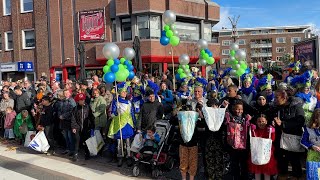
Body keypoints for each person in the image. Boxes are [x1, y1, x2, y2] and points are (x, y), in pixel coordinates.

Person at [270, 90, 305, 179]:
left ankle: (296, 175)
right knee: (281, 158)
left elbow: (301, 121)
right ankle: (283, 174)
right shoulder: (276, 107)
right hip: (280, 137)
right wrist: (273, 122)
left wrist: (283, 124)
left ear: (284, 98)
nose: (275, 99)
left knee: (294, 159)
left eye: (277, 97)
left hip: (293, 137)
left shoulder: (296, 106)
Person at [108, 82, 135, 166]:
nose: (124, 93)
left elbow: (132, 113)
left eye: (125, 92)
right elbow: (112, 114)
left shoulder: (129, 102)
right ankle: (120, 157)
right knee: (119, 143)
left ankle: (129, 157)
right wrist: (116, 112)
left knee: (128, 142)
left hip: (128, 124)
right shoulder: (115, 102)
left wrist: (134, 123)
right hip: (119, 124)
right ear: (119, 92)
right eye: (123, 92)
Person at [205, 98, 231, 179]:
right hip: (209, 141)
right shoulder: (206, 115)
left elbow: (224, 116)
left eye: (215, 106)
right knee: (209, 161)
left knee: (219, 160)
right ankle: (211, 177)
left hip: (219, 141)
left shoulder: (221, 114)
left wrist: (224, 107)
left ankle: (219, 177)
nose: (213, 108)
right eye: (211, 107)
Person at [224, 100, 251, 180]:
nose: (239, 111)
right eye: (237, 109)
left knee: (244, 164)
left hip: (244, 146)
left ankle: (244, 178)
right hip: (233, 146)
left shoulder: (246, 118)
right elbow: (223, 114)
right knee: (234, 164)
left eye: (241, 109)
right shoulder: (229, 117)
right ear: (233, 109)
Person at [248, 114, 278, 180]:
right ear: (256, 122)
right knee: (257, 171)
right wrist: (252, 130)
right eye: (259, 121)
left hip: (266, 154)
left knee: (267, 172)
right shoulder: (255, 130)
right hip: (256, 154)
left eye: (263, 121)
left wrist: (272, 132)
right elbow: (252, 139)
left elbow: (272, 139)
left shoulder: (269, 130)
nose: (261, 123)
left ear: (266, 121)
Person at [71, 93, 94, 161]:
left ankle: (87, 153)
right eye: (80, 100)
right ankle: (75, 154)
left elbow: (91, 117)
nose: (82, 101)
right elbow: (73, 118)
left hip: (86, 127)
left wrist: (92, 126)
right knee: (77, 141)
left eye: (83, 100)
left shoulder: (88, 107)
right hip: (78, 126)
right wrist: (74, 127)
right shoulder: (75, 108)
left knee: (86, 141)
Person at [301, 109, 320, 179]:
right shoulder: (308, 128)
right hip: (312, 158)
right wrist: (312, 146)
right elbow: (303, 141)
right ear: (315, 119)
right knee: (313, 177)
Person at [59, 89, 76, 156]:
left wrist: (63, 116)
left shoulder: (71, 101)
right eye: (64, 93)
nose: (65, 94)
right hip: (63, 121)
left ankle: (72, 150)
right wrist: (59, 115)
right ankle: (67, 148)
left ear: (69, 93)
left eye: (67, 93)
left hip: (69, 121)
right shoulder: (63, 101)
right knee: (65, 136)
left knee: (70, 136)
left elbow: (73, 111)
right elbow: (59, 109)